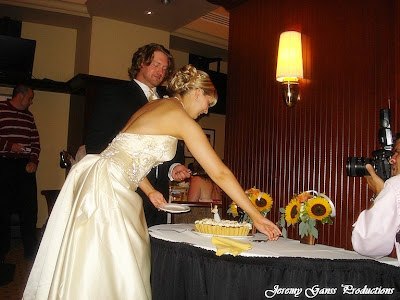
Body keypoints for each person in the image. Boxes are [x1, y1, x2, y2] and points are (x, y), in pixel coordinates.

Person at [23, 65, 281, 299]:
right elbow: (220, 173)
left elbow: (124, 151)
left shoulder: (154, 105)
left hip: (102, 174)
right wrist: (256, 216)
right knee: (116, 260)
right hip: (109, 185)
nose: (205, 110)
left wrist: (148, 190)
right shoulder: (181, 118)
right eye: (207, 103)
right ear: (195, 92)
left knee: (102, 258)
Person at [85, 43, 190, 226]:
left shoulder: (168, 103)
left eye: (165, 68)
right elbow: (97, 144)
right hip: (123, 191)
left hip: (159, 196)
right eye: (156, 65)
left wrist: (174, 167)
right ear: (141, 62)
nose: (161, 72)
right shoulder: (115, 94)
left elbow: (170, 142)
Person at [0, 84, 40, 262]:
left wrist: (33, 160)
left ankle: (31, 250)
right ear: (20, 95)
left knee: (29, 209)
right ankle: (2, 249)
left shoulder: (29, 117)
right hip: (4, 164)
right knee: (2, 208)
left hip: (24, 167)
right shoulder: (1, 109)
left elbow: (36, 142)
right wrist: (10, 147)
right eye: (30, 98)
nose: (31, 102)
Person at [352, 133, 400, 264]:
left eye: (398, 153)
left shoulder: (396, 185)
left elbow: (368, 245)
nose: (392, 160)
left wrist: (381, 193)